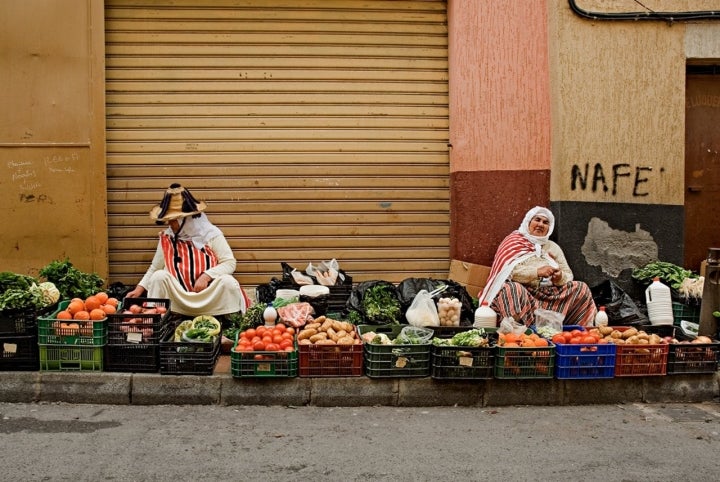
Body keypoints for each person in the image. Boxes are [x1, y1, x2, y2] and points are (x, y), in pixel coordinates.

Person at [125, 184, 250, 321]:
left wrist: (206, 276)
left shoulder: (211, 234)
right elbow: (155, 267)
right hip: (180, 297)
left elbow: (229, 263)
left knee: (228, 282)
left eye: (174, 220)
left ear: (186, 220)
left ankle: (226, 319)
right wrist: (139, 289)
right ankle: (161, 318)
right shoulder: (168, 237)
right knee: (158, 276)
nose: (170, 224)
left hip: (207, 295)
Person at [478, 206, 597, 327]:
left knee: (581, 288)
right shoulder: (513, 242)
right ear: (528, 222)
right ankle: (517, 332)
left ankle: (580, 334)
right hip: (524, 294)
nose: (540, 224)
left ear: (549, 228)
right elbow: (507, 273)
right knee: (511, 289)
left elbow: (568, 274)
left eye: (545, 223)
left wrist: (559, 277)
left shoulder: (552, 247)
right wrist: (537, 272)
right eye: (537, 220)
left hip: (549, 297)